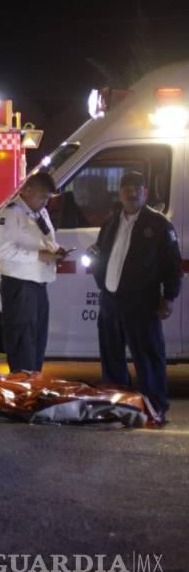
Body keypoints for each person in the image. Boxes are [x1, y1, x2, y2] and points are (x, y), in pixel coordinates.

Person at [90, 170, 182, 425]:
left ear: (146, 193)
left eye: (137, 188)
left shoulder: (159, 224)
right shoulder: (110, 222)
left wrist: (169, 298)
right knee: (111, 356)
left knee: (148, 356)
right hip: (111, 301)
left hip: (142, 302)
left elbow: (172, 266)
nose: (132, 192)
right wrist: (102, 284)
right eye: (127, 188)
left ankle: (155, 407)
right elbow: (99, 254)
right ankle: (118, 404)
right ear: (120, 192)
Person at [0, 171, 65, 373]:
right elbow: (3, 249)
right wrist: (39, 256)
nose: (45, 202)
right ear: (28, 190)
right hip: (19, 286)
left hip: (39, 285)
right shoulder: (11, 213)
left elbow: (47, 240)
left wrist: (56, 252)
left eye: (48, 198)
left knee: (37, 343)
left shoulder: (40, 212)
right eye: (42, 196)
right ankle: (22, 393)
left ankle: (33, 390)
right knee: (22, 344)